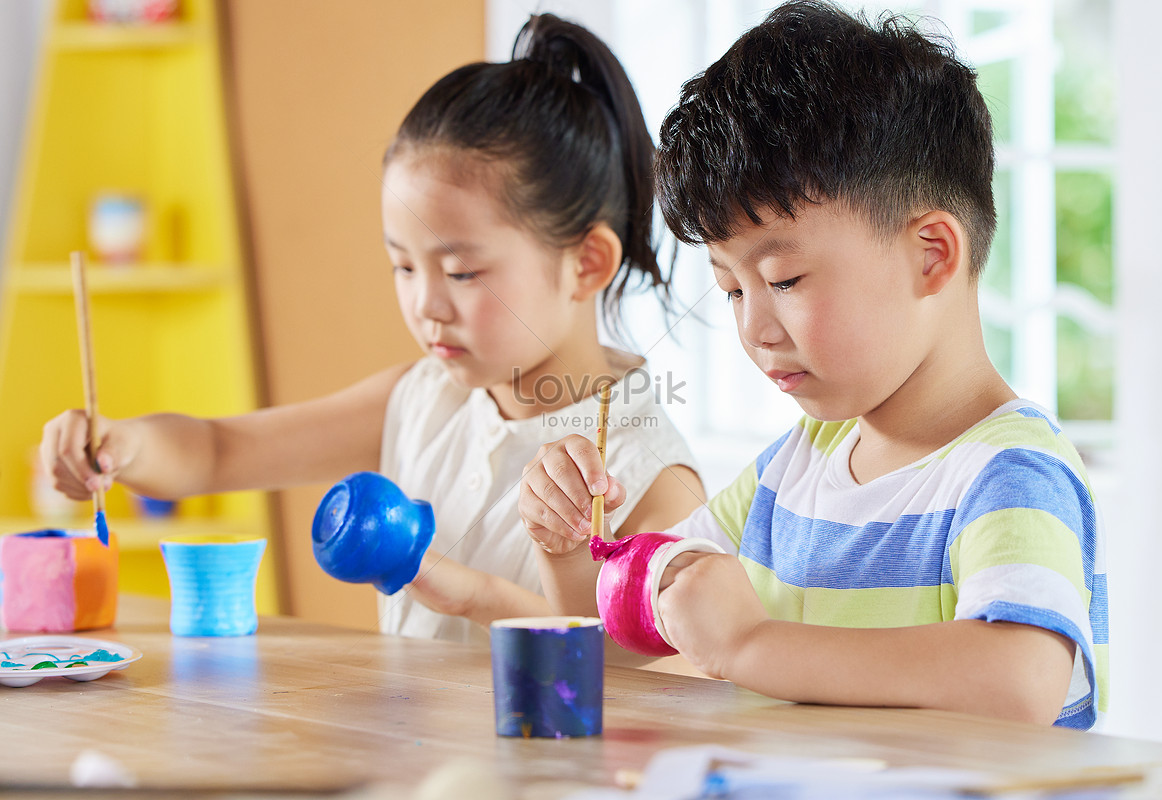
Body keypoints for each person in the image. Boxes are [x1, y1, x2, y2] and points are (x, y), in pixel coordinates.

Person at [518, 0, 1106, 729]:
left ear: (931, 256)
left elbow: (1018, 682)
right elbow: (621, 636)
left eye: (785, 281)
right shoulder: (789, 473)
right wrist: (571, 548)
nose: (755, 328)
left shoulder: (1011, 474)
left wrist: (751, 644)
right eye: (733, 289)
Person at [40, 14, 703, 645]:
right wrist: (119, 447)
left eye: (463, 272)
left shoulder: (649, 474)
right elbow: (216, 452)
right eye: (402, 265)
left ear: (586, 263)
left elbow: (643, 676)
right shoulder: (422, 401)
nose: (426, 306)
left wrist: (470, 593)